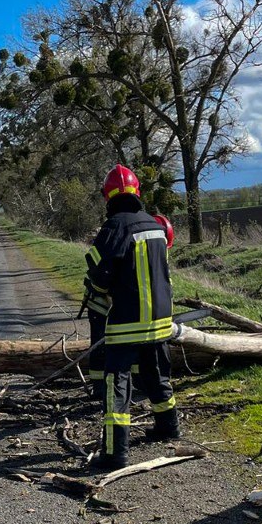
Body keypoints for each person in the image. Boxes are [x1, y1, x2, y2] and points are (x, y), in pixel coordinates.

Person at [82, 165, 181, 471]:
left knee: (117, 383)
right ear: (137, 192)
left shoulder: (114, 227)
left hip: (127, 321)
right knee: (156, 373)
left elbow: (98, 274)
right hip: (160, 319)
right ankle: (168, 426)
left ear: (107, 196)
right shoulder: (154, 224)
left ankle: (115, 453)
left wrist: (99, 290)